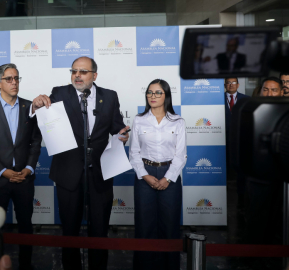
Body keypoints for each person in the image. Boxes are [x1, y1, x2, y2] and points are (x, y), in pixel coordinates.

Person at [31, 56, 130, 270]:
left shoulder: (109, 97)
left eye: (83, 71)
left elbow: (117, 126)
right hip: (69, 173)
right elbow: (41, 117)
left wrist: (122, 134)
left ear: (94, 75)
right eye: (74, 70)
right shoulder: (59, 93)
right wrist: (36, 105)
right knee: (70, 231)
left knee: (100, 230)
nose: (77, 75)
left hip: (100, 174)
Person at [0, 63, 42, 270]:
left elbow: (36, 141)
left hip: (24, 178)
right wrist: (4, 172)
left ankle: (25, 265)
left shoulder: (29, 106)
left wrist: (29, 169)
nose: (14, 82)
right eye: (9, 79)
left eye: (17, 78)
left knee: (25, 226)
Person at [129, 79, 187, 270]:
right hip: (144, 174)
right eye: (150, 92)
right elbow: (134, 153)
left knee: (169, 225)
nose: (152, 96)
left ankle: (169, 266)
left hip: (169, 174)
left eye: (158, 92)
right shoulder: (138, 120)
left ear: (166, 96)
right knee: (144, 225)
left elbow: (181, 155)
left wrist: (167, 178)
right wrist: (145, 175)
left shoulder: (178, 121)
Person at [223, 78, 249, 205]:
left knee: (240, 170)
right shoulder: (216, 99)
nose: (231, 85)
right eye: (228, 82)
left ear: (238, 85)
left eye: (233, 82)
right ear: (224, 85)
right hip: (221, 140)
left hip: (240, 141)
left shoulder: (247, 99)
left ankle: (241, 199)